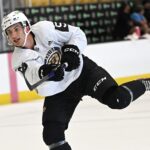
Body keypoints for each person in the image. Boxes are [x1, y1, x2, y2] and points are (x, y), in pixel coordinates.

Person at [1, 10, 150, 150]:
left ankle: (147, 82)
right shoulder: (18, 59)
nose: (13, 35)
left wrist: (72, 50)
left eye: (16, 29)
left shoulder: (44, 29)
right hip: (59, 90)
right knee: (52, 135)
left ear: (26, 27)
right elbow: (35, 77)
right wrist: (46, 72)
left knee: (118, 99)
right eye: (9, 32)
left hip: (83, 73)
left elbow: (77, 34)